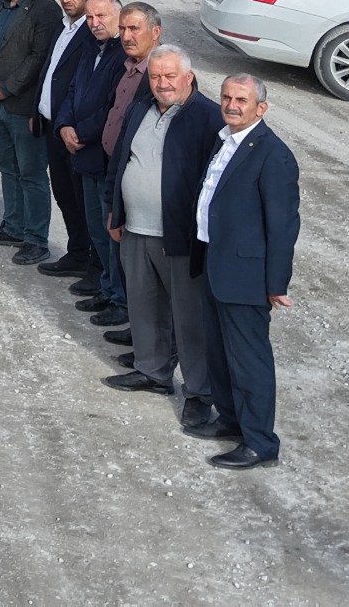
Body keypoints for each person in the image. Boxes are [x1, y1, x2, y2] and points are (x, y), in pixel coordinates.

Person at [102, 45, 223, 430]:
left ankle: (201, 392)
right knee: (144, 306)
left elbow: (215, 184)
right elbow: (120, 160)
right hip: (136, 227)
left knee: (190, 320)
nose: (162, 83)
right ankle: (152, 372)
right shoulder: (141, 108)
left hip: (181, 236)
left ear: (188, 77)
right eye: (156, 76)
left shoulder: (207, 118)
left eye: (170, 76)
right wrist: (115, 210)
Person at [193, 73, 300, 469]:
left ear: (261, 108)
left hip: (246, 277)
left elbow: (284, 225)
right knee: (219, 353)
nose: (231, 105)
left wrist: (275, 283)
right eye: (226, 97)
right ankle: (232, 420)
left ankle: (260, 443)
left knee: (249, 361)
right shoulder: (226, 141)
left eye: (241, 99)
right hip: (213, 262)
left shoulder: (273, 154)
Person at [0, 0, 66, 265]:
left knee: (31, 174)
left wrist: (5, 87)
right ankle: (13, 227)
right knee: (7, 167)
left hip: (22, 107)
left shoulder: (44, 10)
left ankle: (36, 238)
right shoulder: (0, 5)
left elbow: (37, 60)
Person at [55, 0, 131, 326]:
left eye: (101, 15)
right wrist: (64, 125)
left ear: (118, 17)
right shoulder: (90, 48)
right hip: (83, 154)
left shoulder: (122, 56)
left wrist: (79, 132)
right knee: (97, 229)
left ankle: (118, 297)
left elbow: (112, 109)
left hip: (102, 156)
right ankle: (107, 287)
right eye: (89, 17)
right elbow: (72, 91)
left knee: (111, 231)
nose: (94, 22)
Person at [31, 0, 105, 281]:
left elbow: (92, 90)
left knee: (85, 203)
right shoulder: (64, 27)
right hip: (52, 128)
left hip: (76, 135)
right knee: (64, 195)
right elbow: (51, 72)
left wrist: (74, 128)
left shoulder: (92, 33)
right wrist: (39, 110)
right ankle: (77, 254)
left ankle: (96, 266)